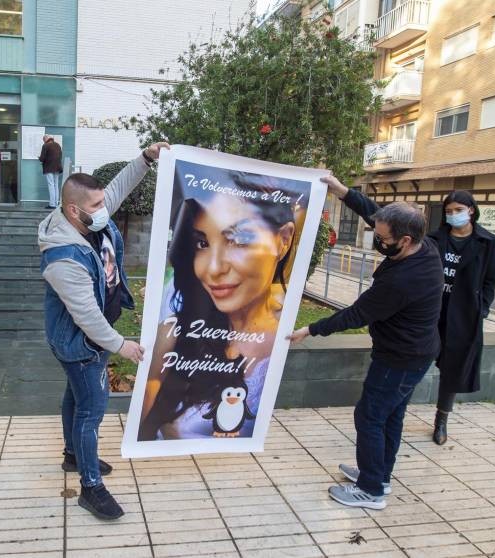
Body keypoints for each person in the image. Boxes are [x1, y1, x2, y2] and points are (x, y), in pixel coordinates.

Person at [287, 175, 442, 511]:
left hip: (399, 359)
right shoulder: (423, 245)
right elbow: (374, 212)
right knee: (391, 416)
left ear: (403, 239)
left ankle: (371, 490)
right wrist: (342, 191)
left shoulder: (404, 280)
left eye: (382, 238)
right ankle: (378, 474)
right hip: (414, 353)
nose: (377, 240)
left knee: (370, 416)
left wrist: (311, 330)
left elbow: (357, 314)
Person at [39, 142, 169, 520]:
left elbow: (116, 189)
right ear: (73, 210)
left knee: (75, 397)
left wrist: (146, 158)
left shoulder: (87, 214)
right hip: (81, 341)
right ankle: (90, 487)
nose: (104, 209)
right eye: (96, 207)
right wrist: (122, 346)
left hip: (89, 333)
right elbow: (87, 318)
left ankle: (72, 456)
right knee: (91, 410)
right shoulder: (63, 258)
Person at [138, 173, 304, 441]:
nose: (214, 268)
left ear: (283, 239)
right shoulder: (176, 333)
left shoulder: (282, 338)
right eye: (202, 243)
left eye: (238, 239)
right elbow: (143, 425)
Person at [427, 190, 495, 445]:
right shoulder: (434, 239)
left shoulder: (488, 242)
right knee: (414, 360)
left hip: (464, 315)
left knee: (453, 369)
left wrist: (483, 308)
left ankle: (441, 420)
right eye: (448, 211)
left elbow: (491, 280)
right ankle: (396, 413)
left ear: (471, 210)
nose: (453, 215)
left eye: (458, 209)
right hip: (432, 311)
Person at [39, 135, 63, 209]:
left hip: (49, 168)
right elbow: (60, 156)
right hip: (57, 168)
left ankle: (52, 204)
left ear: (46, 139)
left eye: (43, 140)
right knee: (56, 185)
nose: (43, 141)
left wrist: (39, 158)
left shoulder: (45, 145)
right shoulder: (58, 145)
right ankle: (56, 203)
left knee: (51, 185)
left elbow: (42, 158)